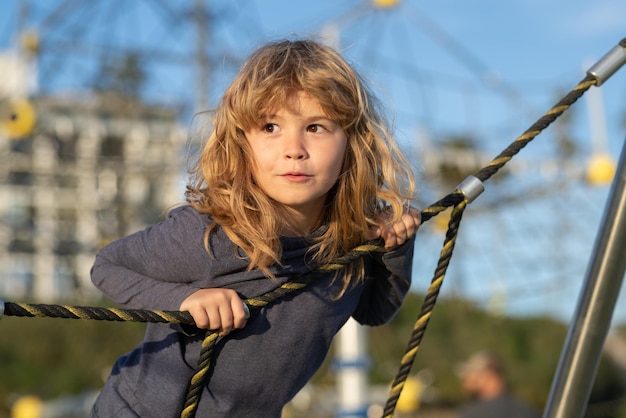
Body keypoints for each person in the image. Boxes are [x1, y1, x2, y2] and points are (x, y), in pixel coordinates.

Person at [89, 38, 421, 418]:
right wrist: (185, 300)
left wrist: (395, 246)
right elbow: (107, 266)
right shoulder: (212, 236)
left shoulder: (346, 246)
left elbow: (375, 311)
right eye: (270, 126)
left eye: (316, 127)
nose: (294, 148)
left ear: (352, 143)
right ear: (242, 142)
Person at [457, 351, 541, 418]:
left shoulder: (474, 413)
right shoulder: (528, 410)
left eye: (471, 375)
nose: (465, 382)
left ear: (492, 377)